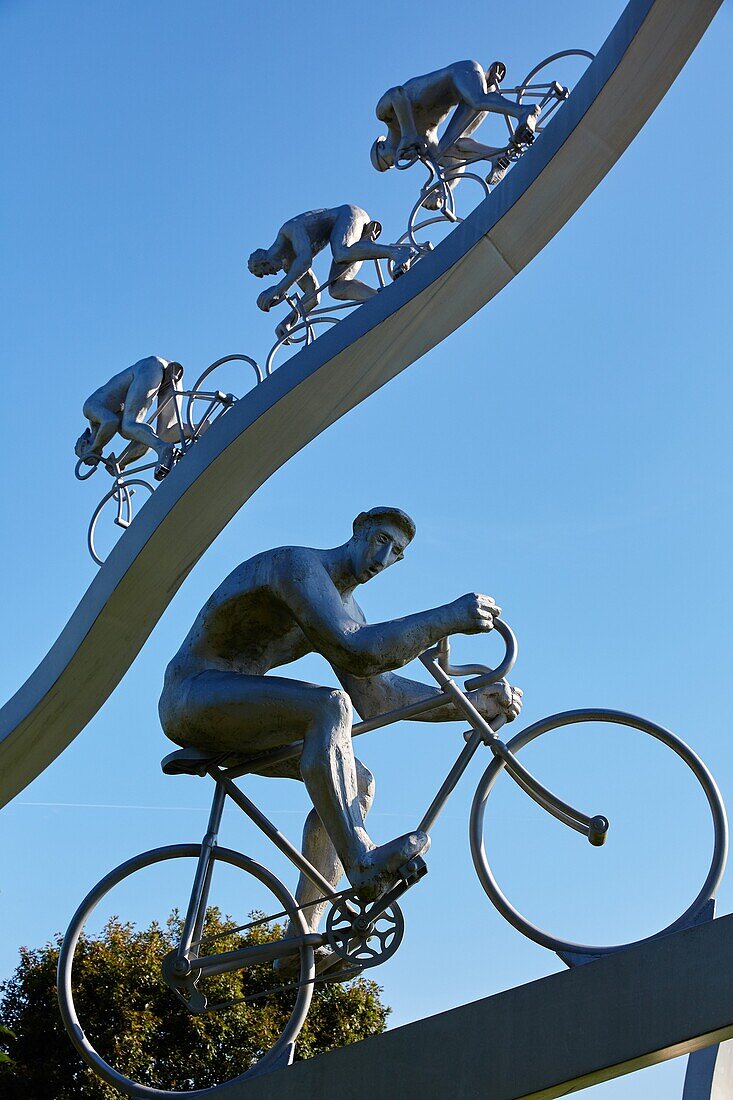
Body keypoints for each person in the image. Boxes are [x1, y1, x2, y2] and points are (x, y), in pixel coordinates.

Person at [159, 507, 523, 970]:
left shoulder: (347, 609)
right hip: (193, 695)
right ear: (358, 532)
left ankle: (301, 941)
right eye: (380, 541)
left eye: (396, 553)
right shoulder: (296, 567)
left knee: (357, 780)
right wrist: (446, 617)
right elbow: (357, 648)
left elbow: (379, 697)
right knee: (329, 705)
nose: (383, 556)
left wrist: (474, 705)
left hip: (236, 709)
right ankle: (362, 861)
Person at [370, 60, 541, 202]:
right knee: (448, 147)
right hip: (465, 97)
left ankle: (525, 112)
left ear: (381, 147)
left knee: (477, 100)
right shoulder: (422, 139)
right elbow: (454, 164)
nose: (394, 164)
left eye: (388, 163)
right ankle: (497, 157)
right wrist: (441, 193)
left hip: (463, 73)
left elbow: (397, 94)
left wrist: (408, 135)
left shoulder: (386, 116)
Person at [248, 205, 415, 330]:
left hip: (348, 215)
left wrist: (278, 289)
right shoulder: (290, 265)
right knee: (337, 289)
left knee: (341, 252)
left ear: (264, 261)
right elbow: (313, 296)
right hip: (343, 239)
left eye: (267, 271)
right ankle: (379, 301)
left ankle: (399, 253)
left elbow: (305, 261)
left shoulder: (288, 230)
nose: (273, 273)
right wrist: (289, 320)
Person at [74, 356, 185, 481]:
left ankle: (163, 449)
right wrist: (121, 462)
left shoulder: (89, 408)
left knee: (129, 425)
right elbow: (144, 440)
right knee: (167, 433)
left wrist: (96, 447)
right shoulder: (115, 418)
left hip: (149, 368)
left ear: (84, 443)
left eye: (84, 455)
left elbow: (110, 422)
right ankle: (205, 429)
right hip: (163, 369)